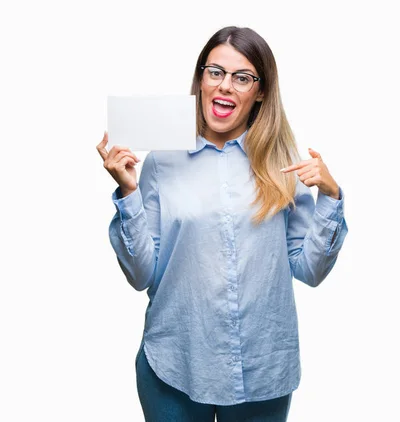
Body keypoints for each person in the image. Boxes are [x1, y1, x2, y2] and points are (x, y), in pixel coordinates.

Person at [96, 26, 348, 422]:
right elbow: (141, 274)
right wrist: (127, 193)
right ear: (201, 80)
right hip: (175, 362)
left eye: (242, 77)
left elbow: (310, 270)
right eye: (216, 72)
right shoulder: (163, 161)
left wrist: (330, 198)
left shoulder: (284, 164)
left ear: (260, 91)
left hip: (262, 368)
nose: (226, 86)